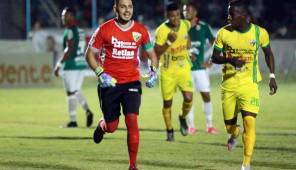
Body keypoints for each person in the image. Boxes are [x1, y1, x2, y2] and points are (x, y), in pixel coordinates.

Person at [85, 0, 158, 169]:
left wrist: (154, 72)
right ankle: (103, 126)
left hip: (132, 81)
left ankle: (132, 165)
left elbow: (152, 55)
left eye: (130, 6)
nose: (127, 10)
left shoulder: (140, 30)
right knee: (112, 127)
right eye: (123, 6)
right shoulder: (104, 29)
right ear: (115, 8)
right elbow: (89, 55)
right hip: (109, 83)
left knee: (132, 120)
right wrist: (100, 74)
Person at [211, 1, 278, 170]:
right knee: (230, 127)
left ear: (241, 15)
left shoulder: (259, 33)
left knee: (249, 122)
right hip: (229, 85)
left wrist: (272, 76)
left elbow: (268, 53)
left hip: (250, 85)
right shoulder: (223, 33)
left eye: (230, 14)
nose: (228, 17)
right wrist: (231, 60)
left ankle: (246, 164)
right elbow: (214, 57)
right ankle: (234, 133)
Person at [154, 3, 193, 141]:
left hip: (183, 67)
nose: (175, 19)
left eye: (177, 15)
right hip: (167, 70)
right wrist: (169, 43)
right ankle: (169, 130)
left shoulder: (185, 24)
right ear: (167, 16)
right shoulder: (161, 31)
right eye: (172, 16)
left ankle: (182, 117)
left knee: (189, 98)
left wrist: (190, 50)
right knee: (167, 104)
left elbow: (187, 38)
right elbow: (156, 52)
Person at [54, 7, 94, 128]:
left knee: (70, 92)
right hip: (81, 64)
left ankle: (73, 121)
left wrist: (58, 64)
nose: (63, 18)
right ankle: (87, 111)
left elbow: (69, 49)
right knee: (76, 90)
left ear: (72, 16)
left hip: (71, 65)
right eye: (62, 16)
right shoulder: (81, 31)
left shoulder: (69, 31)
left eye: (65, 16)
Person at [183, 2, 218, 135]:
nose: (186, 12)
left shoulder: (203, 27)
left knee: (206, 96)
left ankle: (209, 125)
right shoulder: (180, 27)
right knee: (188, 98)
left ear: (195, 12)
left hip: (200, 70)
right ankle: (191, 126)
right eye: (184, 10)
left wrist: (211, 60)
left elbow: (215, 43)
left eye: (189, 10)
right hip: (185, 70)